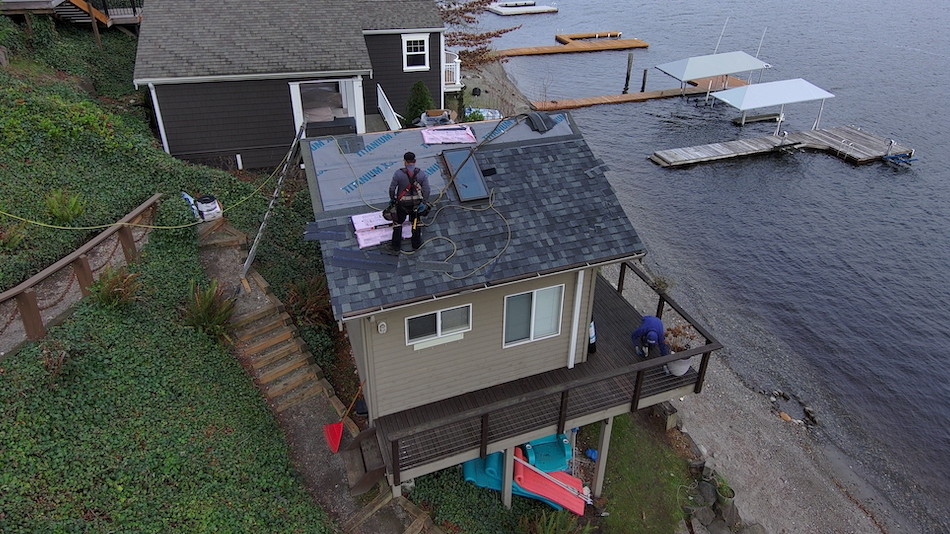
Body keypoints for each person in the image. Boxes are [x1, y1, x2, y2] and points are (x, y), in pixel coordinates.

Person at [388, 151, 430, 252]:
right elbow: (427, 190)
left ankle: (396, 247)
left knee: (398, 223)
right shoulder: (422, 174)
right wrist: (423, 203)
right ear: (415, 161)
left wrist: (392, 199)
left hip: (402, 204)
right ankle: (416, 244)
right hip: (416, 205)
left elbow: (392, 188)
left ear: (405, 162)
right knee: (415, 222)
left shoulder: (398, 174)